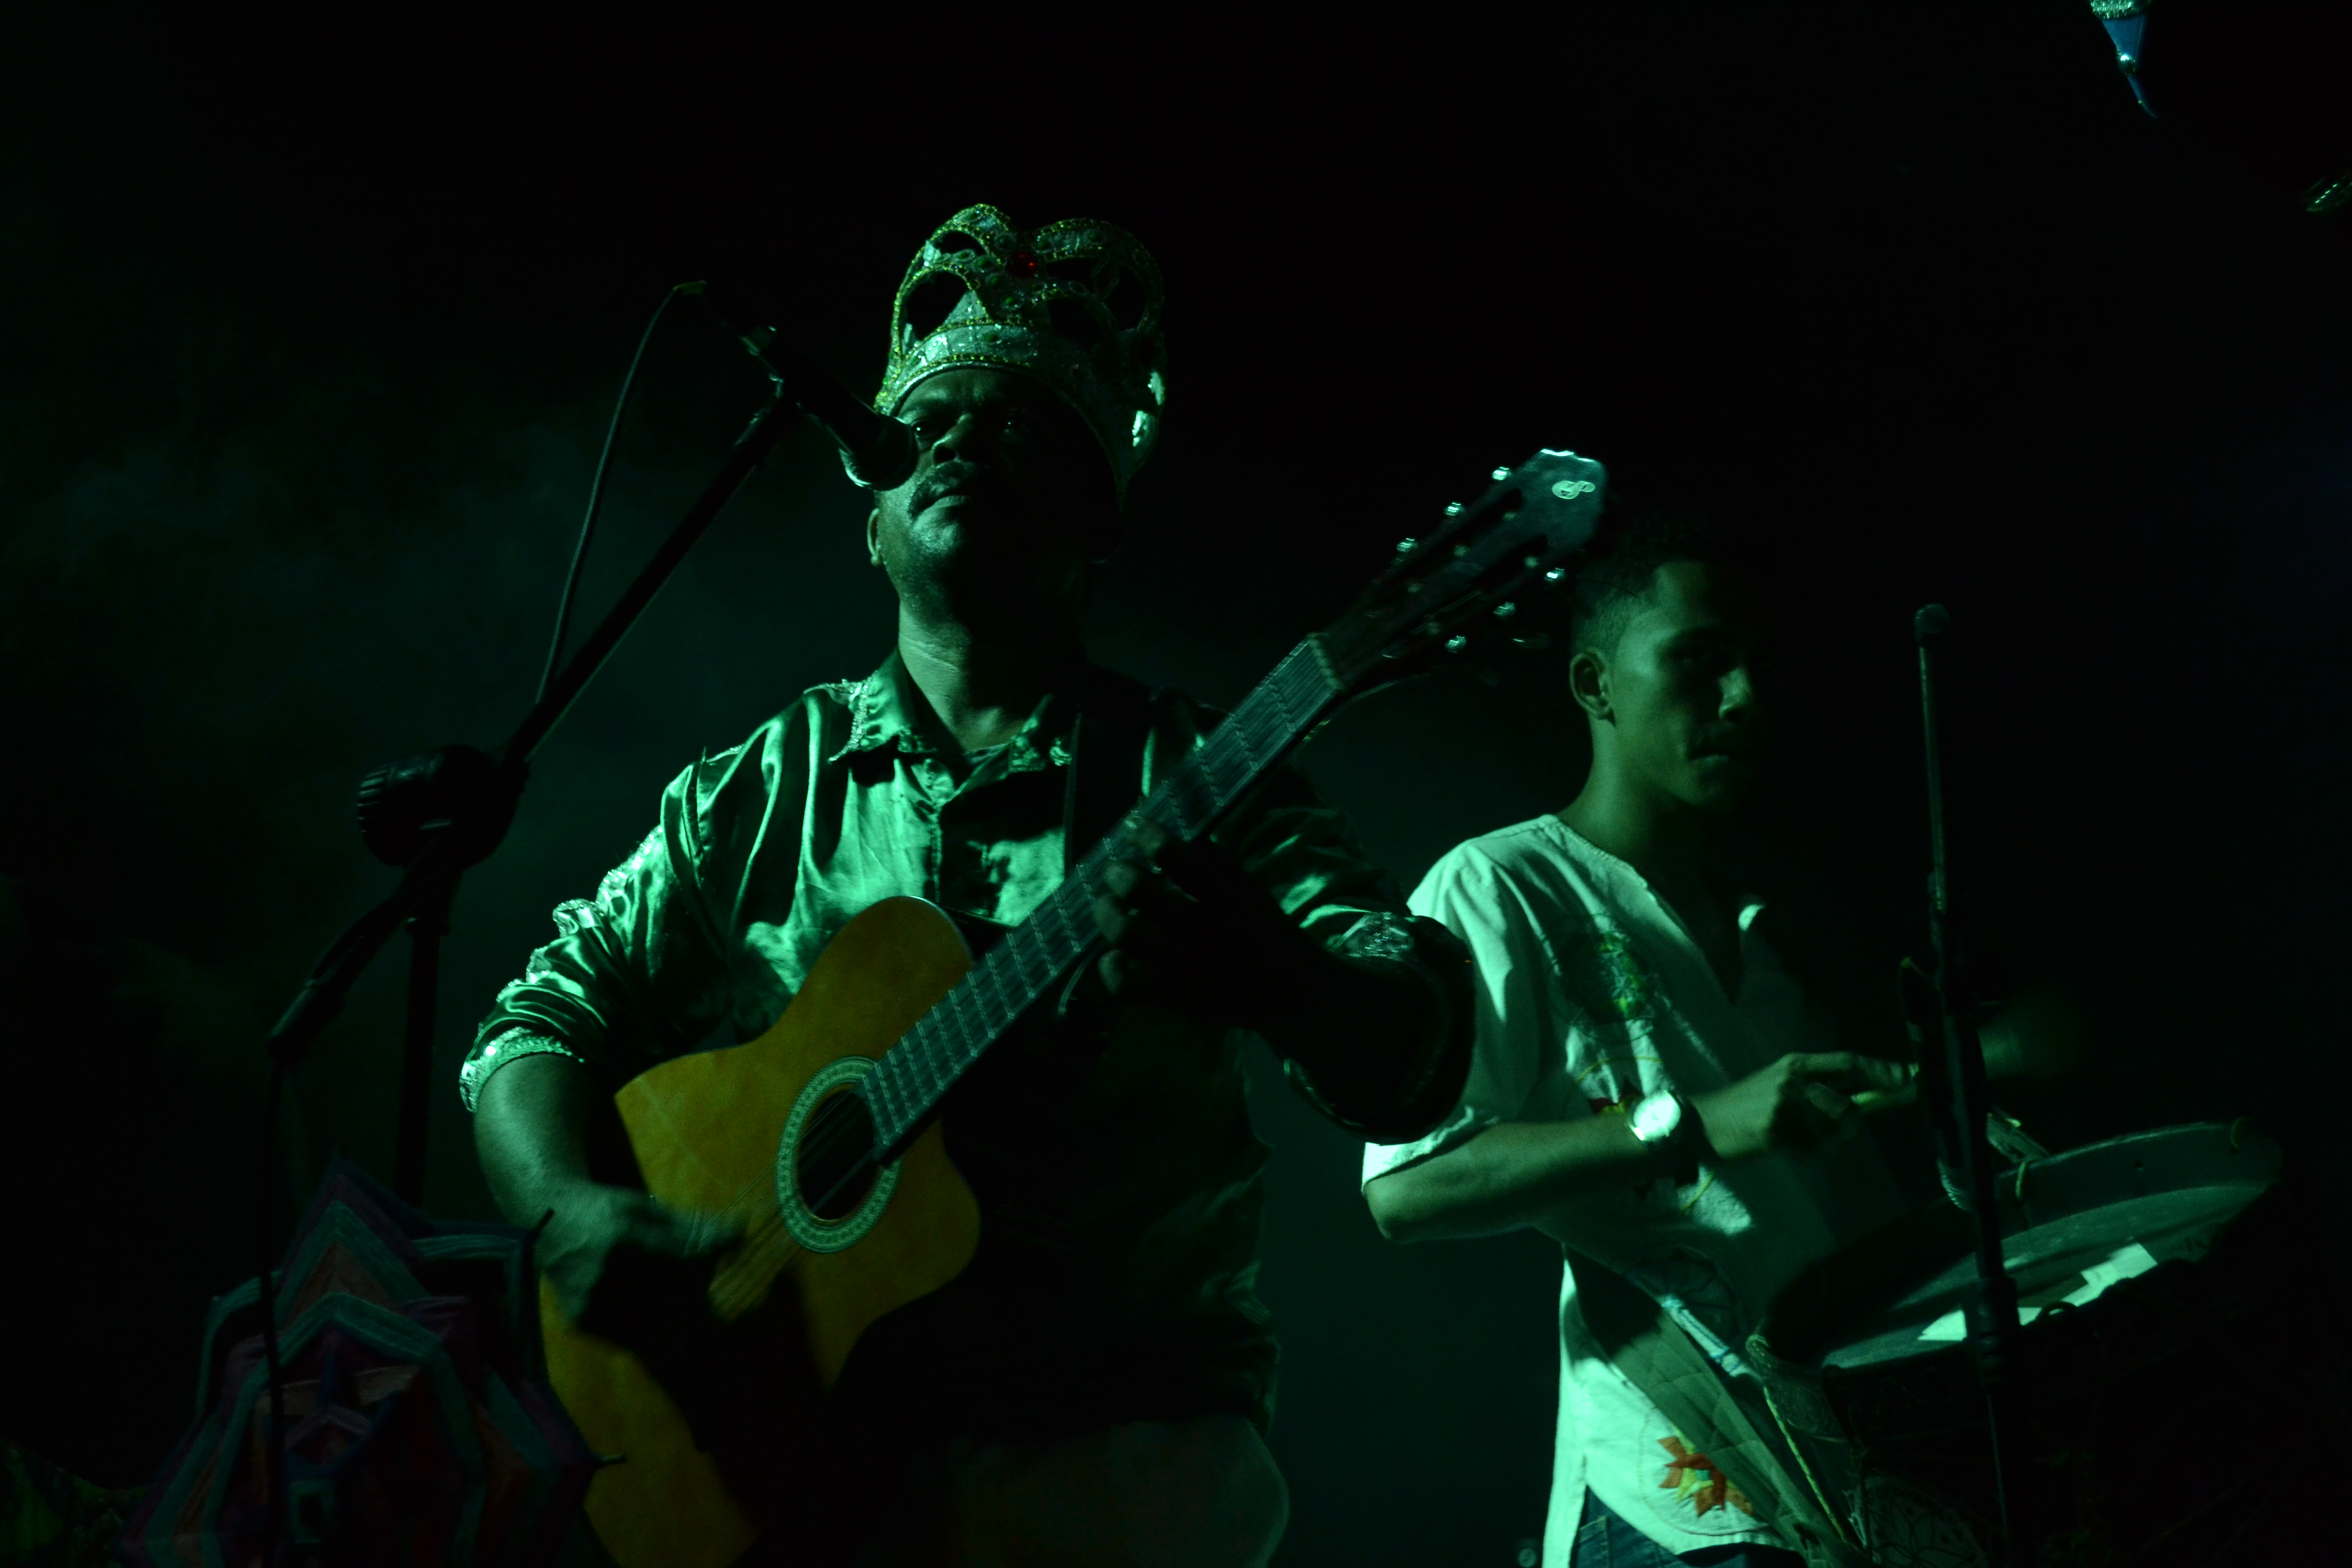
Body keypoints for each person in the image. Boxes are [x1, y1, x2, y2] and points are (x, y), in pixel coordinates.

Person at [462, 204, 1471, 1568]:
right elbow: (536, 1024)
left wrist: (1284, 980)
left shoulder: (1201, 775)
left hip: (1118, 1467)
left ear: (1098, 517)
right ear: (872, 524)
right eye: (926, 423)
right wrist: (563, 1212)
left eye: (1018, 425)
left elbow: (1417, 1061)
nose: (958, 442)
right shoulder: (756, 791)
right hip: (793, 1464)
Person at [1361, 511, 1910, 1568]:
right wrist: (1689, 1124)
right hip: (1669, 1507)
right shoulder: (1500, 885)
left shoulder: (1776, 941)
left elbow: (1859, 1235)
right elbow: (1408, 1187)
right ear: (1595, 684)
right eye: (1700, 661)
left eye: (1757, 668)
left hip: (1852, 1498)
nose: (1743, 698)